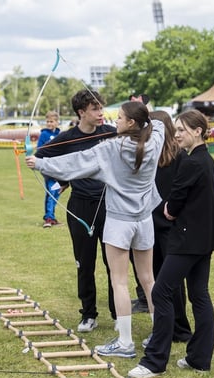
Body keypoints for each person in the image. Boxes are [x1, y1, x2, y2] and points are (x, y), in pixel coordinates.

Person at [27, 101, 163, 358]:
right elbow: (158, 124)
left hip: (120, 222)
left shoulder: (111, 148)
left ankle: (125, 343)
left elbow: (76, 162)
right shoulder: (154, 140)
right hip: (144, 221)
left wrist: (40, 164)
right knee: (148, 279)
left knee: (119, 281)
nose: (114, 120)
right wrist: (144, 110)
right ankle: (160, 334)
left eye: (120, 117)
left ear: (131, 123)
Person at [128, 110, 214, 378]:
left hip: (188, 239)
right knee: (199, 294)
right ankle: (199, 358)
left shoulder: (192, 162)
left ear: (198, 131)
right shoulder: (205, 160)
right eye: (177, 129)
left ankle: (154, 362)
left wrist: (169, 209)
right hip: (203, 238)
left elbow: (172, 206)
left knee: (160, 293)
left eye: (182, 130)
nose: (177, 134)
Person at [32, 89, 117, 333]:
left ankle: (118, 313)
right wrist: (65, 178)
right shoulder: (67, 138)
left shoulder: (111, 132)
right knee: (85, 263)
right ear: (81, 112)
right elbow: (41, 157)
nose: (100, 113)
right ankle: (88, 314)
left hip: (109, 205)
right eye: (95, 109)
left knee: (114, 263)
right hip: (80, 207)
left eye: (101, 108)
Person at [132, 111, 193, 340]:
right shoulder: (149, 156)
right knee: (154, 279)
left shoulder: (179, 157)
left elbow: (182, 193)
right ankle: (164, 325)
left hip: (170, 227)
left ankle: (179, 328)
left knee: (171, 281)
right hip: (150, 225)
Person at [37, 111, 62, 228]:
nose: (49, 124)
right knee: (51, 191)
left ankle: (51, 215)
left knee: (57, 191)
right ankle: (48, 218)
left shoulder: (60, 134)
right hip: (47, 168)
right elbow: (39, 150)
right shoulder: (44, 134)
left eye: (52, 121)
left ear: (57, 122)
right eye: (47, 121)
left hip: (58, 168)